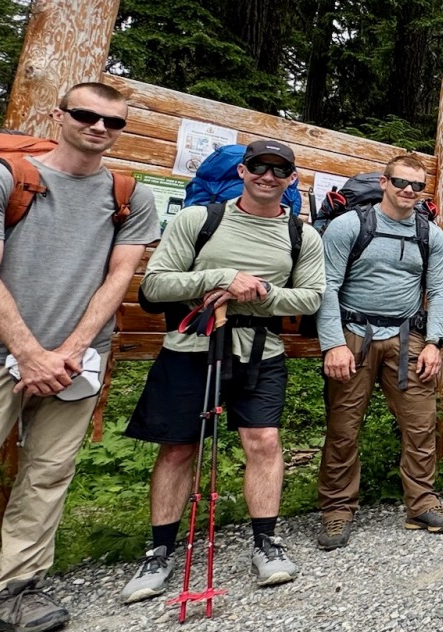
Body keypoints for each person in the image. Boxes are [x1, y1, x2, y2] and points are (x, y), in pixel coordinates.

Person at [0, 82, 158, 632]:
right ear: (59, 115)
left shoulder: (129, 196)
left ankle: (16, 590)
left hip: (77, 362)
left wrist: (71, 350)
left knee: (49, 474)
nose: (99, 128)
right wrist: (30, 353)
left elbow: (119, 277)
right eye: (85, 115)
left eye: (113, 122)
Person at [120, 139, 326, 602]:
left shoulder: (302, 236)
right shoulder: (198, 220)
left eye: (279, 170)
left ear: (292, 179)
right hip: (191, 346)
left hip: (260, 350)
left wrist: (259, 291)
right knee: (178, 448)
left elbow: (311, 296)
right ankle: (159, 550)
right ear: (242, 171)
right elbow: (155, 285)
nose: (268, 176)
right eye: (259, 167)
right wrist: (219, 278)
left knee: (264, 441)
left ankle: (266, 541)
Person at [316, 154, 443, 550]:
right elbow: (327, 286)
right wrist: (333, 344)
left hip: (407, 335)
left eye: (416, 186)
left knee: (420, 424)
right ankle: (337, 510)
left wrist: (434, 341)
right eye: (400, 182)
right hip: (353, 334)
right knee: (344, 427)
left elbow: (440, 291)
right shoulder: (348, 226)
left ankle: (422, 503)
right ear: (383, 182)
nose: (408, 191)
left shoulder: (430, 234)